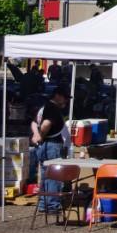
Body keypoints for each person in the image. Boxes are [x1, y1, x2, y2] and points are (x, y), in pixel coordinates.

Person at [31, 84, 72, 212]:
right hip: (52, 145)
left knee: (45, 175)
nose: (66, 101)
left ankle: (43, 204)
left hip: (42, 146)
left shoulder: (43, 107)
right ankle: (53, 205)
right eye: (65, 97)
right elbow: (46, 124)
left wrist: (36, 135)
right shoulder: (53, 109)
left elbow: (33, 122)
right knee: (54, 176)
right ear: (58, 96)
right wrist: (41, 134)